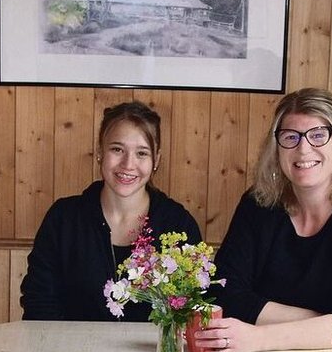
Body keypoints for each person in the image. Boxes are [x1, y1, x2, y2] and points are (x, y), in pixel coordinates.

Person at [197, 88, 332, 352]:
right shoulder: (258, 204)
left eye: (318, 135)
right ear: (276, 149)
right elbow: (224, 292)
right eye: (290, 137)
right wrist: (322, 322)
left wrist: (259, 337)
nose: (303, 149)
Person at [20, 100, 202, 321]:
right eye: (117, 149)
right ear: (100, 153)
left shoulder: (178, 224)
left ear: (156, 160)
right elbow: (39, 302)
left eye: (142, 153)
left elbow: (190, 310)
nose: (128, 164)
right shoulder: (63, 219)